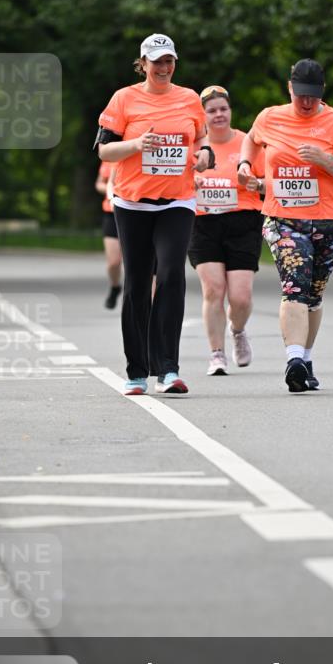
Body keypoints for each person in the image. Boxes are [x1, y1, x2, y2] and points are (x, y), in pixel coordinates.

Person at [95, 33, 212, 396]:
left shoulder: (190, 98)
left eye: (169, 61)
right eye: (156, 61)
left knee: (173, 274)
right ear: (142, 63)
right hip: (132, 203)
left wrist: (205, 155)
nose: (163, 68)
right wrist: (135, 145)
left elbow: (201, 139)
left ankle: (168, 369)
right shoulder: (124, 99)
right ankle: (136, 371)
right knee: (137, 284)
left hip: (178, 201)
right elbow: (103, 151)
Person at [238, 59, 333, 392]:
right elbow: (250, 139)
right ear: (289, 88)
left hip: (329, 219)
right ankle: (293, 361)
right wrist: (245, 165)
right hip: (283, 218)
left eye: (313, 96)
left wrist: (325, 159)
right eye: (301, 95)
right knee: (294, 286)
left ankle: (306, 357)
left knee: (313, 294)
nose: (306, 103)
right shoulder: (270, 117)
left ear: (322, 93)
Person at [188, 85, 265, 375]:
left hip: (243, 221)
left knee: (240, 297)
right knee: (213, 289)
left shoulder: (248, 143)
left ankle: (238, 330)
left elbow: (265, 181)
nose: (218, 114)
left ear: (230, 111)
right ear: (203, 115)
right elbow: (176, 181)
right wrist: (191, 183)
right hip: (202, 221)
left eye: (223, 108)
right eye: (211, 110)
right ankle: (216, 354)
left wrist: (254, 183)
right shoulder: (196, 146)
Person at [95, 160, 123, 309]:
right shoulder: (109, 159)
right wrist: (110, 188)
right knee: (114, 262)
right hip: (111, 213)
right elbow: (99, 183)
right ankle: (115, 286)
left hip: (134, 211)